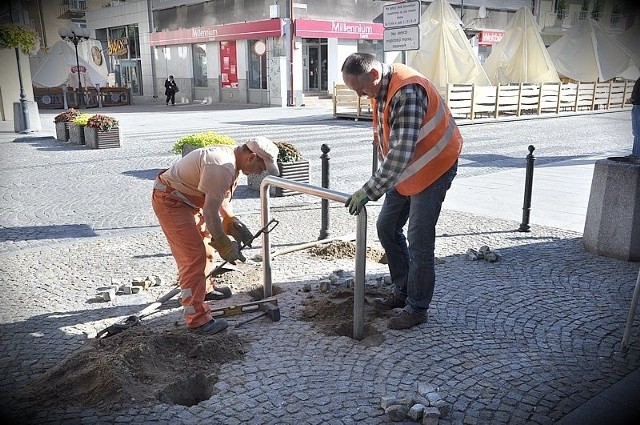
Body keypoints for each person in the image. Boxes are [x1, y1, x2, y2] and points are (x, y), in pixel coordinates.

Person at [341, 53, 463, 330]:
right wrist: (379, 181)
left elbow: (400, 154)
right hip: (407, 170)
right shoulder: (380, 87)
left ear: (374, 75)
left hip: (434, 166)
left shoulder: (407, 91)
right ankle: (403, 288)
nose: (361, 96)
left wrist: (369, 190)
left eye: (361, 90)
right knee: (386, 227)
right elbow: (388, 141)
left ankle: (418, 308)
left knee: (419, 240)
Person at [152, 136, 280, 334]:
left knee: (206, 250)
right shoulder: (222, 165)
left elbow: (221, 199)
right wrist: (224, 244)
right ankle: (197, 320)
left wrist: (231, 221)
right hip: (172, 201)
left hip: (189, 201)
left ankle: (205, 289)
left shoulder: (234, 163)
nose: (262, 172)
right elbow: (211, 213)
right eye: (262, 167)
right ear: (252, 157)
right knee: (194, 257)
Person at [629, 76, 640, 159]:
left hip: (638, 106)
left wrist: (631, 99)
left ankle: (636, 154)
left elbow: (636, 94)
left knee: (637, 132)